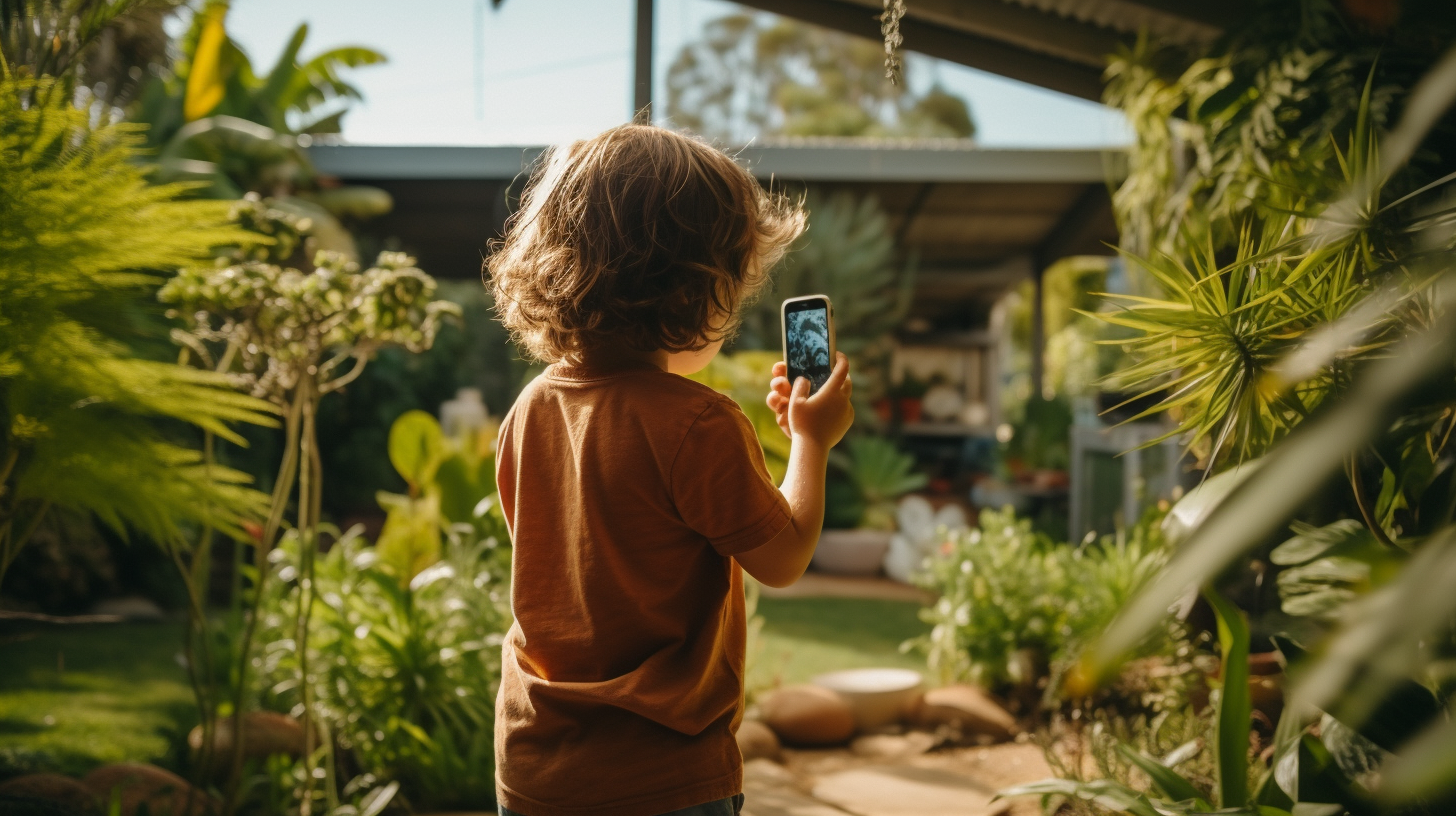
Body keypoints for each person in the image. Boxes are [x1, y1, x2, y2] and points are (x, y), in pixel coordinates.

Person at [485, 124, 854, 816]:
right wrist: (811, 441)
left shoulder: (529, 408)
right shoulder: (696, 424)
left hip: (536, 764)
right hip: (660, 775)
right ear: (694, 290)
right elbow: (784, 556)